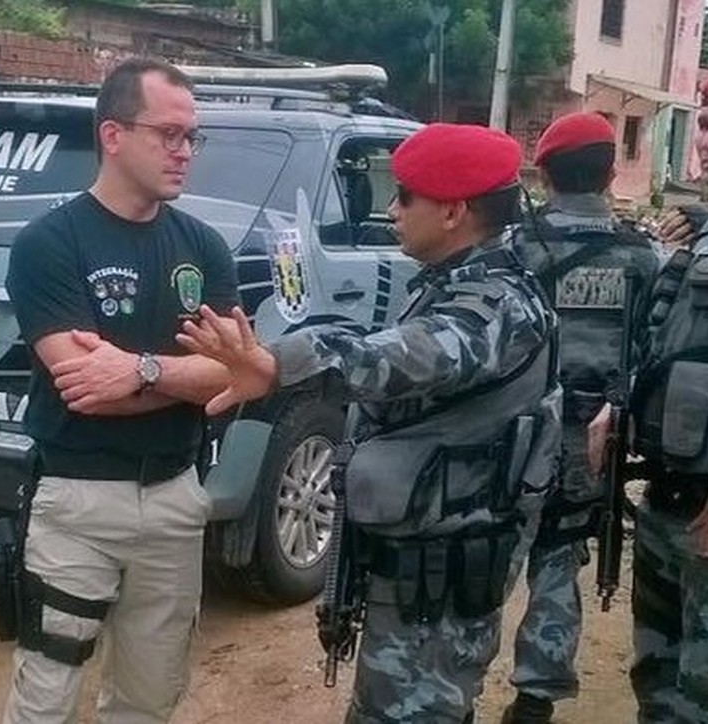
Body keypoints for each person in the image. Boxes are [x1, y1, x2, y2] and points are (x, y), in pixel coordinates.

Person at [178, 123, 562, 723]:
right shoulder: (457, 283)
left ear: (455, 211)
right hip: (423, 565)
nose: (390, 210)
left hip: (441, 576)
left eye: (405, 196)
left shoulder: (497, 304)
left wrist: (276, 363)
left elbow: (404, 356)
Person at [1, 58, 239, 724]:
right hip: (77, 501)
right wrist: (185, 375)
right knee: (45, 694)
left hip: (175, 498)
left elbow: (233, 373)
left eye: (192, 136)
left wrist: (140, 370)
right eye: (168, 133)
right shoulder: (50, 242)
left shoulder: (204, 248)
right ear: (112, 134)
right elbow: (85, 389)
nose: (184, 151)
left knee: (149, 699)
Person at [589, 63, 708, 723]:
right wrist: (617, 403)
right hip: (669, 500)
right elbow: (661, 342)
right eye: (704, 123)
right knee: (658, 680)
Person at [500, 112, 662, 723]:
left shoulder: (518, 246)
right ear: (611, 172)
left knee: (492, 553)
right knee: (559, 560)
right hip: (593, 439)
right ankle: (535, 700)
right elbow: (652, 347)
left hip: (515, 431)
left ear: (543, 174)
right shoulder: (643, 255)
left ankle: (453, 684)